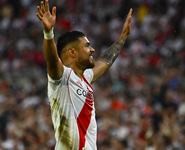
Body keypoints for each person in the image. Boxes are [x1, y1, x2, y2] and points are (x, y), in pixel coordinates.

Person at [36, 0, 132, 149]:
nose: (92, 50)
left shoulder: (85, 78)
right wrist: (48, 33)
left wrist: (122, 37)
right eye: (87, 46)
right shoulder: (62, 78)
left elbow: (105, 62)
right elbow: (53, 61)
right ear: (72, 52)